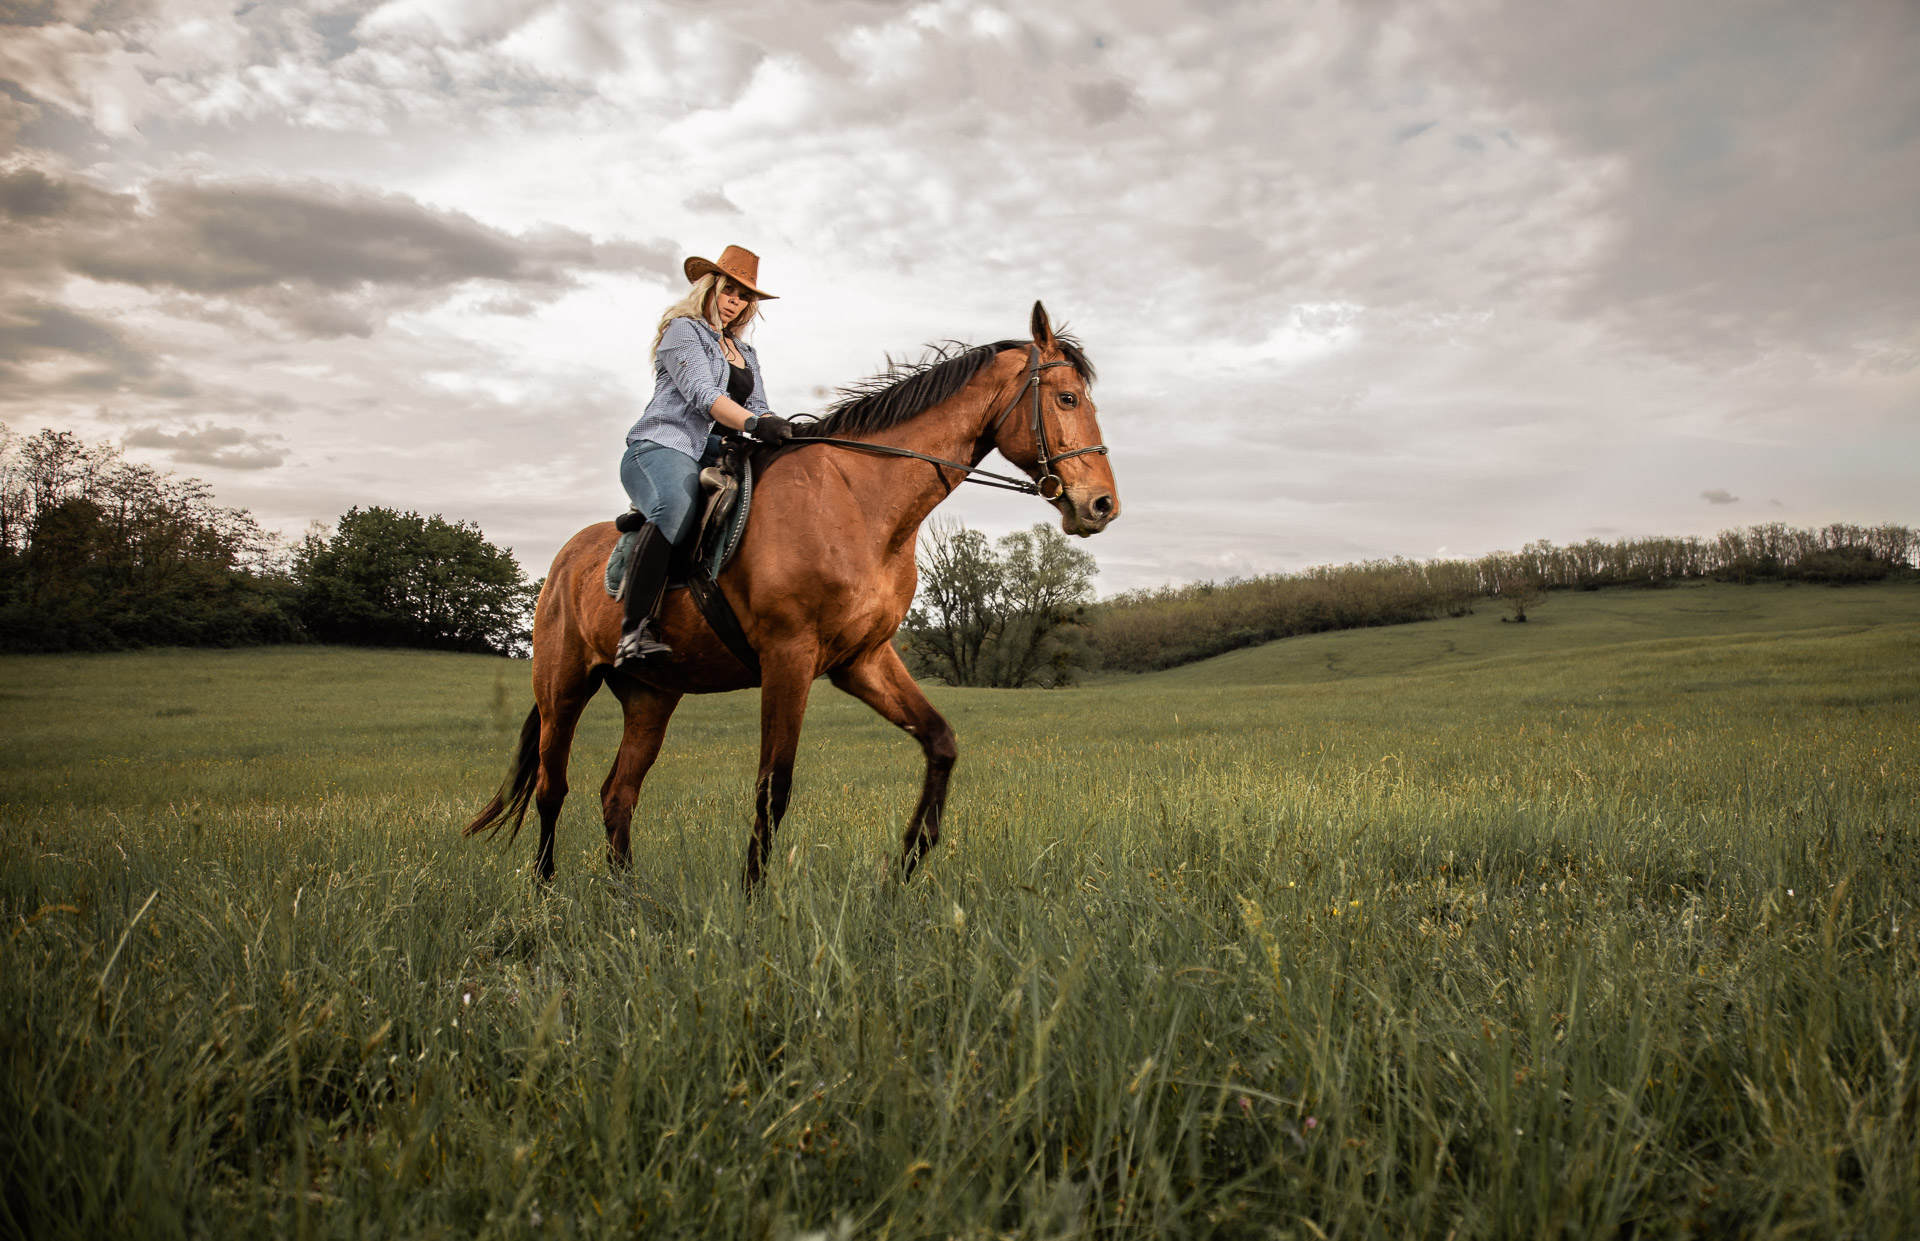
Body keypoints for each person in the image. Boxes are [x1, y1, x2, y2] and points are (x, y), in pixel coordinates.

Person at [616, 245, 794, 667]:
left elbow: (759, 407)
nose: (735, 301)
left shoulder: (746, 353)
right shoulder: (682, 330)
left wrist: (785, 429)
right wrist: (754, 425)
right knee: (675, 506)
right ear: (709, 288)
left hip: (718, 451)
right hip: (665, 445)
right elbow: (703, 395)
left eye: (744, 296)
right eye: (729, 290)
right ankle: (634, 632)